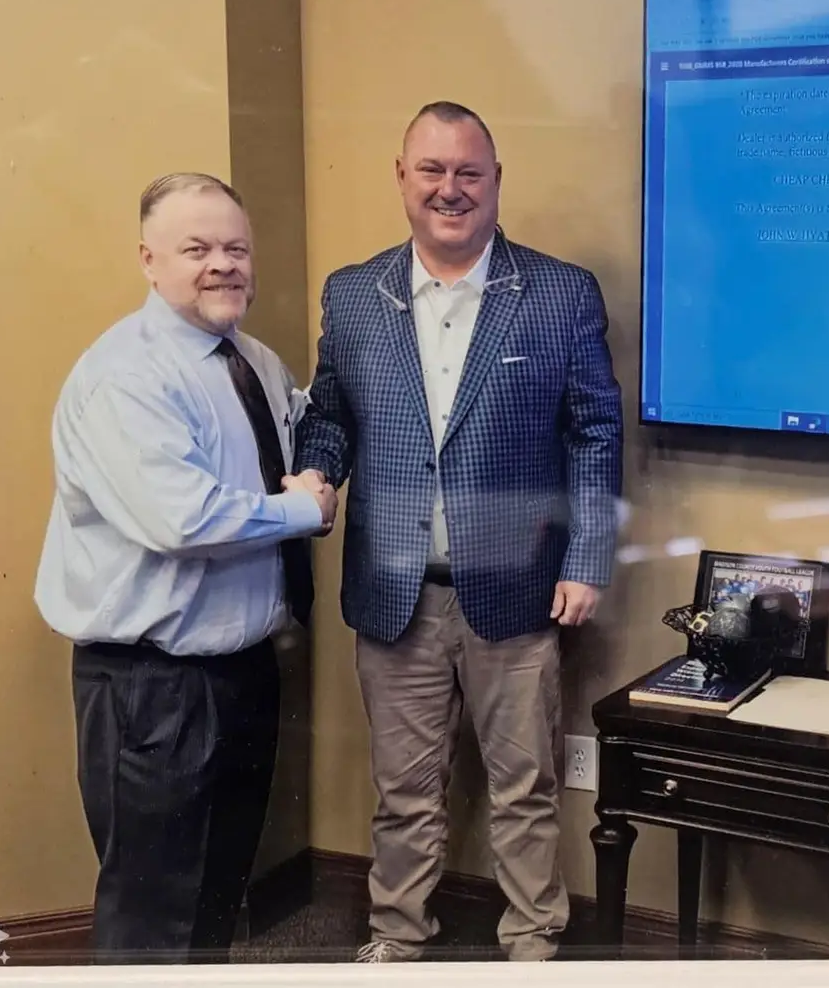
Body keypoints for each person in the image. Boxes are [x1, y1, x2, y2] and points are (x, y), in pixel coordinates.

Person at [296, 101, 623, 962]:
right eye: (432, 170)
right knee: (403, 791)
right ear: (401, 177)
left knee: (526, 787)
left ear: (495, 181)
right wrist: (316, 471)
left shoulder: (558, 292)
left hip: (518, 589)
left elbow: (594, 435)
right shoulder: (352, 294)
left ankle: (533, 936)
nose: (451, 189)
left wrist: (588, 557)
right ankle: (398, 936)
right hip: (393, 589)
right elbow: (329, 417)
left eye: (468, 173)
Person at [34, 172, 337, 964]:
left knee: (215, 898)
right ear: (148, 259)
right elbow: (184, 518)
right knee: (152, 917)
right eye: (196, 249)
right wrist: (304, 509)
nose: (223, 265)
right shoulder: (125, 377)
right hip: (152, 690)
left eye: (236, 248)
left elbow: (301, 434)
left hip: (240, 675)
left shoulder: (254, 362)